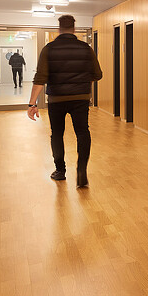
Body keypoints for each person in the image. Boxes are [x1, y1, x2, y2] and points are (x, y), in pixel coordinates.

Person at [27, 15, 102, 188]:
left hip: (56, 99)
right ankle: (82, 171)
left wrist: (32, 104)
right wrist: (82, 82)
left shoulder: (49, 49)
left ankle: (60, 171)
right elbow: (97, 74)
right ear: (74, 29)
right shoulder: (86, 49)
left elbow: (40, 78)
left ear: (59, 29)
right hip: (81, 99)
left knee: (57, 134)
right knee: (82, 132)